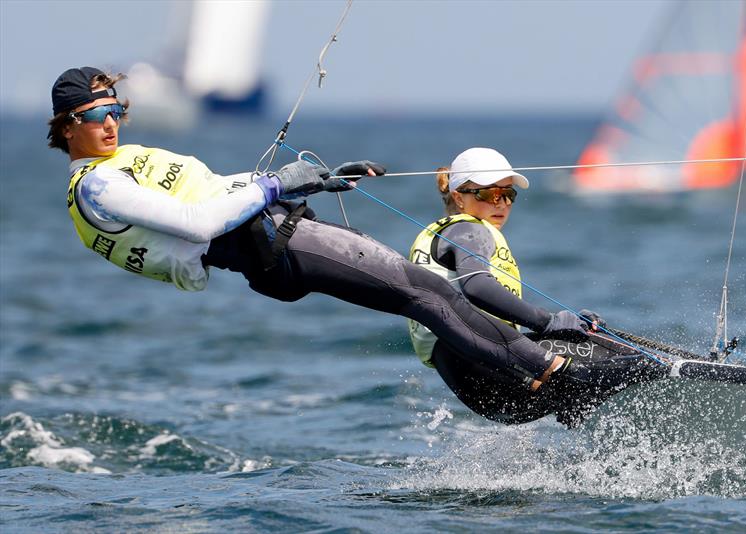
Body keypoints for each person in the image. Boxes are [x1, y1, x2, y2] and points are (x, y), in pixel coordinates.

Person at [49, 67, 583, 404]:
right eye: (98, 114)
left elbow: (214, 191)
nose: (112, 122)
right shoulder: (98, 187)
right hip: (270, 243)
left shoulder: (119, 164)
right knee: (425, 292)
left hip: (272, 239)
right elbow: (200, 223)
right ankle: (545, 369)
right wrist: (280, 181)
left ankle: (540, 377)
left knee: (424, 294)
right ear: (68, 124)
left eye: (117, 110)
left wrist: (312, 184)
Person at [408, 148, 659, 426]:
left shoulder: (441, 233)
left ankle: (582, 409)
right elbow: (477, 287)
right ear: (459, 197)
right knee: (632, 360)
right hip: (492, 373)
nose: (501, 203)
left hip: (479, 387)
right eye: (491, 195)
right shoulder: (470, 231)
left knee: (586, 351)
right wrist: (549, 322)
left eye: (509, 194)